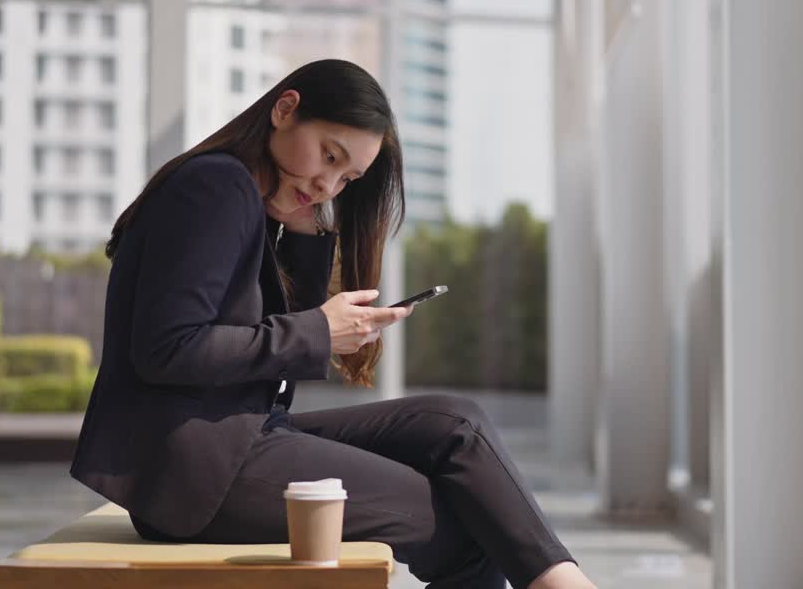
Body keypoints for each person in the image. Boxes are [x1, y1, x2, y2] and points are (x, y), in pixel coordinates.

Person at [70, 59, 597, 588]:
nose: (328, 185)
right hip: (195, 472)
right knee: (468, 528)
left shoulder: (248, 199)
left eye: (347, 178)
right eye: (329, 155)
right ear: (284, 109)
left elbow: (256, 344)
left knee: (454, 422)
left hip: (235, 437)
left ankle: (562, 580)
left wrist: (301, 235)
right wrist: (321, 331)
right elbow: (168, 349)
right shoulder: (216, 184)